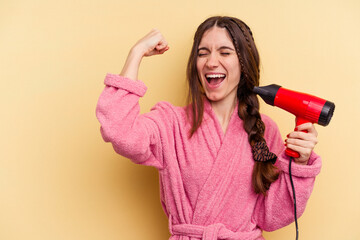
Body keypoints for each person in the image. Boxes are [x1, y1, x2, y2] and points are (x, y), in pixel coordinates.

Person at [96, 16, 321, 240]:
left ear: (244, 63)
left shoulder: (263, 131)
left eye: (224, 52)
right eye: (203, 53)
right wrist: (136, 54)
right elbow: (119, 131)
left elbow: (270, 217)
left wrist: (299, 163)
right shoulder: (170, 123)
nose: (211, 62)